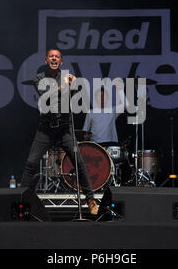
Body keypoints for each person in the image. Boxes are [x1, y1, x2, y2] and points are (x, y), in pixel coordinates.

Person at [20, 49, 98, 215]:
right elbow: (48, 96)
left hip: (64, 128)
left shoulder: (67, 78)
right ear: (47, 60)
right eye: (51, 56)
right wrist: (64, 86)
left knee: (79, 163)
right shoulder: (39, 78)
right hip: (46, 128)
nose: (54, 58)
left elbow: (75, 100)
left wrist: (75, 85)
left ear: (61, 61)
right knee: (31, 164)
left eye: (57, 57)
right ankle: (21, 201)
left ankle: (91, 199)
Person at [82, 81, 125, 146]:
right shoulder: (90, 112)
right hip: (95, 145)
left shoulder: (113, 110)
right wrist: (86, 136)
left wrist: (119, 89)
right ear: (96, 98)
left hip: (110, 144)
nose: (102, 98)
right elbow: (84, 131)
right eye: (100, 96)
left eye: (104, 95)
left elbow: (125, 105)